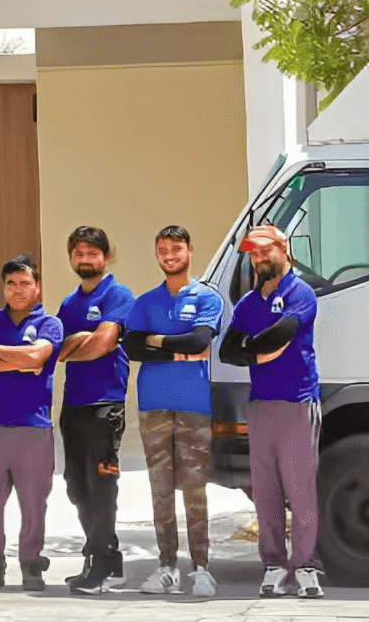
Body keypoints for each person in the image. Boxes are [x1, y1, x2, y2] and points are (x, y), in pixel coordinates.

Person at [118, 225, 223, 596]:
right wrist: (176, 349)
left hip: (194, 404)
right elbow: (132, 347)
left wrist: (156, 340)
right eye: (162, 249)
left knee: (194, 489)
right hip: (153, 404)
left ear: (189, 250)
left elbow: (199, 340)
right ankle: (166, 566)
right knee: (160, 489)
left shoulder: (207, 297)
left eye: (176, 248)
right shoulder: (145, 302)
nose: (169, 255)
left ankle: (201, 568)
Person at [219, 225, 323, 599]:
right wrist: (256, 353)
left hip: (298, 403)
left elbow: (283, 333)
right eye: (254, 253)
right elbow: (226, 351)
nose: (260, 258)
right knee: (265, 492)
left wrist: (250, 348)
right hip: (261, 404)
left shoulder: (301, 293)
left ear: (283, 249)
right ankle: (274, 565)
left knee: (300, 489)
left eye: (266, 250)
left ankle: (305, 566)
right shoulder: (248, 304)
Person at [0, 256, 62, 591]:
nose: (17, 290)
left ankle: (32, 568)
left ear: (37, 287)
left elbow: (37, 357)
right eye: (11, 284)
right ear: (4, 288)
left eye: (24, 283)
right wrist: (19, 357)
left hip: (33, 429)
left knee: (34, 505)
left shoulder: (50, 324)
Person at [55, 225, 135, 593]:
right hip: (73, 404)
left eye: (92, 253)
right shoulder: (69, 304)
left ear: (106, 256)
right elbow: (55, 351)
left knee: (101, 485)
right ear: (71, 258)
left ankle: (99, 564)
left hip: (106, 405)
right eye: (79, 253)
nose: (85, 259)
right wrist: (79, 342)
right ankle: (108, 558)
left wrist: (81, 343)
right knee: (76, 486)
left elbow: (103, 342)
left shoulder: (118, 294)